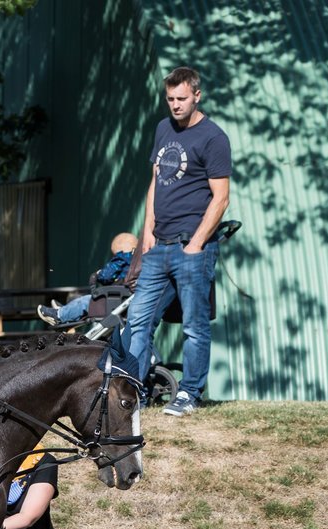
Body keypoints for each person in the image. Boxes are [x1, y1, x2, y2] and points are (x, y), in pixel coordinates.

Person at [121, 66, 232, 417]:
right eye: (170, 99)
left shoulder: (214, 137)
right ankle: (134, 392)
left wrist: (197, 243)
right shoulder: (163, 129)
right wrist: (147, 232)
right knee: (138, 320)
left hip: (192, 247)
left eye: (182, 98)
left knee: (194, 325)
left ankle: (190, 393)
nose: (175, 105)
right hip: (159, 246)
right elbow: (156, 181)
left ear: (197, 95)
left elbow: (221, 197)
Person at [37, 232, 139, 327]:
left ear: (123, 250)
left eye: (115, 254)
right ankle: (65, 311)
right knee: (82, 301)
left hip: (115, 304)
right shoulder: (138, 263)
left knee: (85, 302)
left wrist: (99, 274)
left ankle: (59, 315)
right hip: (124, 303)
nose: (114, 257)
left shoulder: (123, 257)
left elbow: (106, 276)